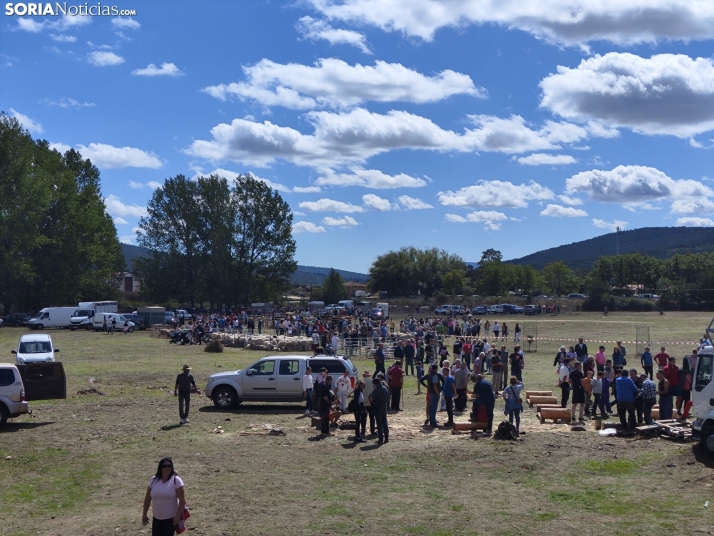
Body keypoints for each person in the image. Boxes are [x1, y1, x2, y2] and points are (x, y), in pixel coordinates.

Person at [142, 457, 187, 536]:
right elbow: (148, 498)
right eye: (164, 466)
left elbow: (182, 500)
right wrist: (144, 514)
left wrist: (177, 516)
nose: (167, 468)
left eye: (169, 466)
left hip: (171, 519)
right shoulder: (154, 480)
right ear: (160, 468)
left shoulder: (176, 480)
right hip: (156, 518)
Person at [369, 377, 389, 444]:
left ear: (375, 384)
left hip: (377, 408)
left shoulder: (376, 390)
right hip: (384, 407)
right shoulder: (385, 388)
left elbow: (371, 400)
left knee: (379, 424)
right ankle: (386, 438)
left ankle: (381, 439)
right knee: (385, 423)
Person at [362, 371, 376, 436]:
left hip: (363, 402)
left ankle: (363, 430)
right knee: (372, 417)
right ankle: (372, 430)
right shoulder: (372, 382)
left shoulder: (361, 382)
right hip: (371, 401)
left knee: (363, 418)